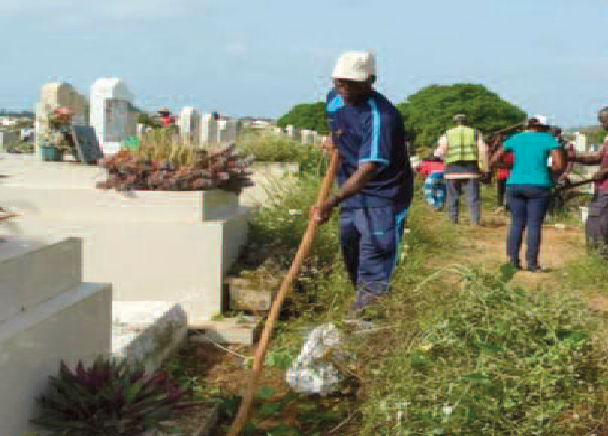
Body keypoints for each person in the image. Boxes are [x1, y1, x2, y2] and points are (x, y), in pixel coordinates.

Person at [312, 50, 414, 317]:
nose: (343, 87)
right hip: (351, 194)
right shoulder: (334, 99)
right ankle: (363, 304)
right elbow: (338, 126)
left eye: (351, 82)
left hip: (383, 196)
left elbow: (368, 167)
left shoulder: (381, 116)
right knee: (351, 249)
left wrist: (331, 201)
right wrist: (336, 140)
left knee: (375, 257)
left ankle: (368, 323)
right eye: (339, 81)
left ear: (371, 81)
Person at [491, 115, 567, 272]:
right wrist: (546, 171)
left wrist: (510, 166)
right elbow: (559, 165)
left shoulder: (515, 138)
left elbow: (494, 160)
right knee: (534, 225)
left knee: (516, 223)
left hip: (515, 184)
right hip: (539, 186)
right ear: (543, 127)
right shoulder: (548, 139)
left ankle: (513, 261)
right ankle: (532, 264)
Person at [434, 114, 489, 225]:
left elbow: (439, 152)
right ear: (466, 121)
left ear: (455, 121)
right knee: (473, 198)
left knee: (452, 197)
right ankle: (475, 222)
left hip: (451, 171)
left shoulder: (448, 134)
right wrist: (485, 169)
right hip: (471, 170)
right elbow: (483, 151)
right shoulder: (475, 133)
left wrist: (445, 159)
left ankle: (453, 221)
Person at [567, 106, 608, 255]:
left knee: (598, 221)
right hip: (602, 188)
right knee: (596, 220)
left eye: (604, 121)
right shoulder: (607, 139)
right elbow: (596, 157)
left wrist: (604, 172)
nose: (602, 124)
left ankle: (600, 254)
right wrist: (573, 156)